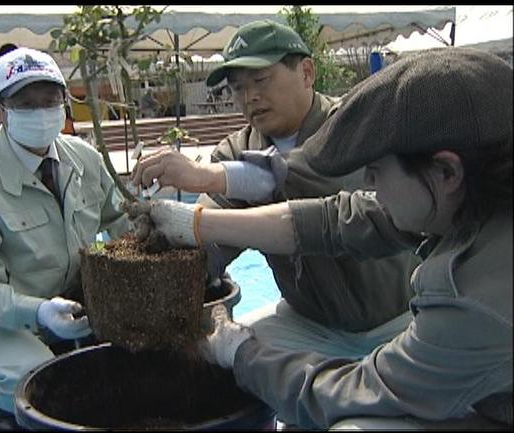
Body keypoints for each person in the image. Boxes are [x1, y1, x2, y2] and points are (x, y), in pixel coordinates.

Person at [129, 47, 513, 429]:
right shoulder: (469, 197)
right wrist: (194, 223)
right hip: (329, 326)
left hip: (399, 332)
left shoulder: (475, 293)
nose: (367, 183)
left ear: (447, 171)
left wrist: (244, 355)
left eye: (376, 171)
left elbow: (364, 391)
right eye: (238, 88)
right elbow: (335, 220)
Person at [132, 20, 419, 347]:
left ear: (307, 73)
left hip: (399, 321)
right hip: (306, 321)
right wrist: (162, 251)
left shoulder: (351, 123)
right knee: (220, 364)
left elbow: (321, 178)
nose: (250, 97)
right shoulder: (237, 150)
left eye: (261, 79)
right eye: (238, 87)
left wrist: (213, 177)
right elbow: (211, 235)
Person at [0, 47, 129, 430]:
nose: (41, 113)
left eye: (50, 100)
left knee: (131, 369)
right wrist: (37, 311)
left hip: (76, 298)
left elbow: (119, 219)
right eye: (25, 103)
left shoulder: (83, 159)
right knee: (38, 384)